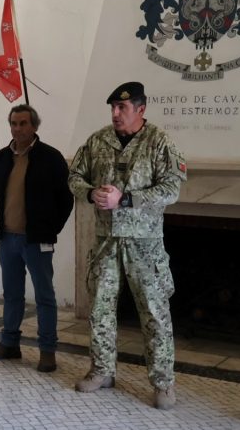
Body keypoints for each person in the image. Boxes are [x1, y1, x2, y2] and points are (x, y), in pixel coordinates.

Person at [68, 81, 186, 409]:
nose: (116, 113)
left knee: (154, 313)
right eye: (113, 107)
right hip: (106, 241)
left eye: (122, 107)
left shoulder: (159, 141)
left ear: (141, 109)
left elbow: (171, 189)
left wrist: (126, 199)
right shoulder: (98, 140)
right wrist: (91, 193)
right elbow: (74, 177)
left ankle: (163, 383)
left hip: (144, 244)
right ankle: (102, 370)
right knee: (100, 309)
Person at [0, 104, 73, 372]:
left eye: (23, 123)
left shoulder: (51, 157)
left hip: (37, 240)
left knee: (44, 296)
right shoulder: (2, 157)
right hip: (8, 238)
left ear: (34, 126)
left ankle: (47, 350)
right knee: (12, 294)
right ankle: (9, 344)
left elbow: (66, 199)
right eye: (14, 123)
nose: (18, 128)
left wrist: (50, 229)